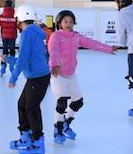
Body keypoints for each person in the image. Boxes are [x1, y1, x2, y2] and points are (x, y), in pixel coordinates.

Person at [48, 10, 118, 144]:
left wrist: (109, 49)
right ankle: (58, 128)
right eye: (65, 21)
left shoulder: (76, 36)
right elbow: (54, 51)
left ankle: (66, 123)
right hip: (58, 74)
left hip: (71, 74)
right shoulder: (55, 36)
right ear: (60, 23)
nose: (68, 24)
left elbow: (92, 43)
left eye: (71, 21)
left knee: (78, 102)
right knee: (62, 101)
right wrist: (55, 65)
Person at [7, 5, 51, 154]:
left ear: (20, 19)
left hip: (38, 77)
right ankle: (26, 136)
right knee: (22, 104)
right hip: (36, 76)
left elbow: (24, 58)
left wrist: (13, 77)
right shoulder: (35, 32)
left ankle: (38, 143)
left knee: (31, 108)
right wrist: (10, 60)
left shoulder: (28, 33)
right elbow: (28, 57)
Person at [0, 0, 18, 76]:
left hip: (4, 36)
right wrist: (21, 30)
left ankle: (3, 66)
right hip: (12, 36)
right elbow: (18, 25)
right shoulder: (15, 16)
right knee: (12, 50)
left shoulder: (2, 16)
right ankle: (12, 65)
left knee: (5, 51)